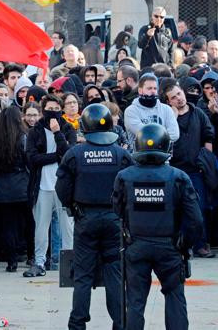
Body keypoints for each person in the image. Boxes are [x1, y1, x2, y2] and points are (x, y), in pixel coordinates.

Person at [112, 123, 203, 330]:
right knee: (175, 296)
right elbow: (196, 219)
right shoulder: (178, 177)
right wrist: (184, 242)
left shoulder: (125, 176)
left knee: (135, 302)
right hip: (169, 246)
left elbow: (117, 210)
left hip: (136, 245)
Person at [55, 103, 133, 330]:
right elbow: (131, 187)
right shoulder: (121, 154)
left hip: (85, 219)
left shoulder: (75, 154)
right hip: (113, 220)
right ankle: (121, 323)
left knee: (83, 275)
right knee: (115, 275)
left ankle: (77, 324)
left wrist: (73, 208)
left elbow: (63, 188)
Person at [25, 95, 76, 277]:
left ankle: (70, 263)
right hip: (42, 186)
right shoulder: (35, 131)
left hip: (63, 186)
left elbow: (70, 154)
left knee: (67, 227)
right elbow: (31, 158)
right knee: (41, 226)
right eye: (49, 108)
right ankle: (39, 262)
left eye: (56, 108)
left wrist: (57, 133)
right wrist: (56, 156)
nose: (52, 112)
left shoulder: (68, 128)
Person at [163, 84, 215, 258]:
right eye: (174, 97)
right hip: (175, 171)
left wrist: (205, 160)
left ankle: (200, 244)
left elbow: (208, 136)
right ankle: (181, 245)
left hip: (195, 171)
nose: (179, 98)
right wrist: (173, 118)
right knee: (176, 209)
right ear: (168, 102)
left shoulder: (198, 113)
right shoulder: (168, 118)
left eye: (179, 93)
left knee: (199, 209)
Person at [0, 106, 30, 273]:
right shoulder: (22, 138)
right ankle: (24, 253)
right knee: (24, 223)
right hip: (21, 185)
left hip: (2, 186)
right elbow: (28, 160)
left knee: (7, 225)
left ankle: (11, 260)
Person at [124, 73, 180, 146]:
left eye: (155, 88)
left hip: (162, 155)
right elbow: (143, 134)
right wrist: (163, 135)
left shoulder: (166, 109)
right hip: (139, 155)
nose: (153, 91)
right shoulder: (131, 111)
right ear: (140, 90)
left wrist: (155, 138)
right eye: (149, 88)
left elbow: (174, 135)